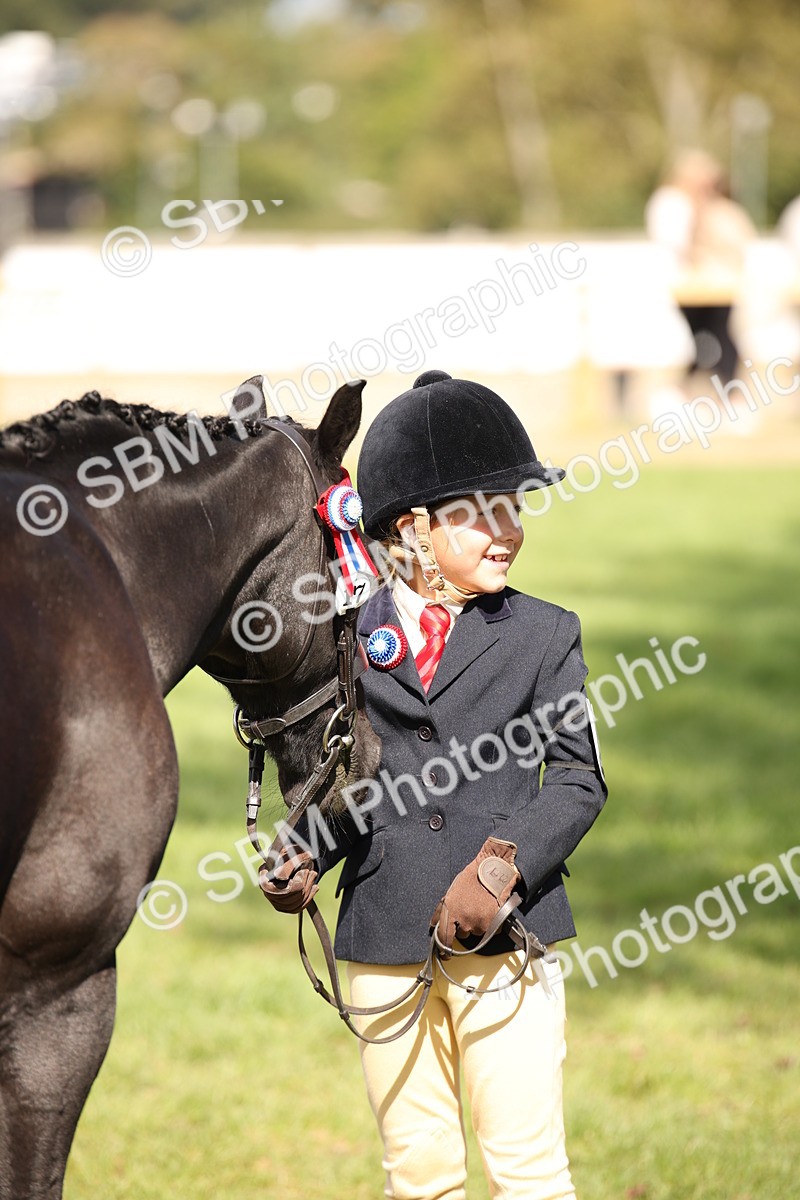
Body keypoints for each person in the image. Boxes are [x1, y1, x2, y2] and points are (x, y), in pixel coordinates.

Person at [261, 369, 608, 1200]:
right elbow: (352, 777)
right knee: (417, 1173)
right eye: (483, 513)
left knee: (528, 1170)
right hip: (384, 938)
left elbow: (578, 780)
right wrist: (304, 850)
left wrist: (500, 869)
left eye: (515, 510)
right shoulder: (348, 636)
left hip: (505, 935)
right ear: (412, 530)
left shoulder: (545, 634)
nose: (509, 532)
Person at [646, 149, 754, 387]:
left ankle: (705, 393)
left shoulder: (710, 207)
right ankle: (724, 395)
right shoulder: (673, 202)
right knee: (710, 337)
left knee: (711, 337)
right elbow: (677, 245)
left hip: (710, 282)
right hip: (688, 282)